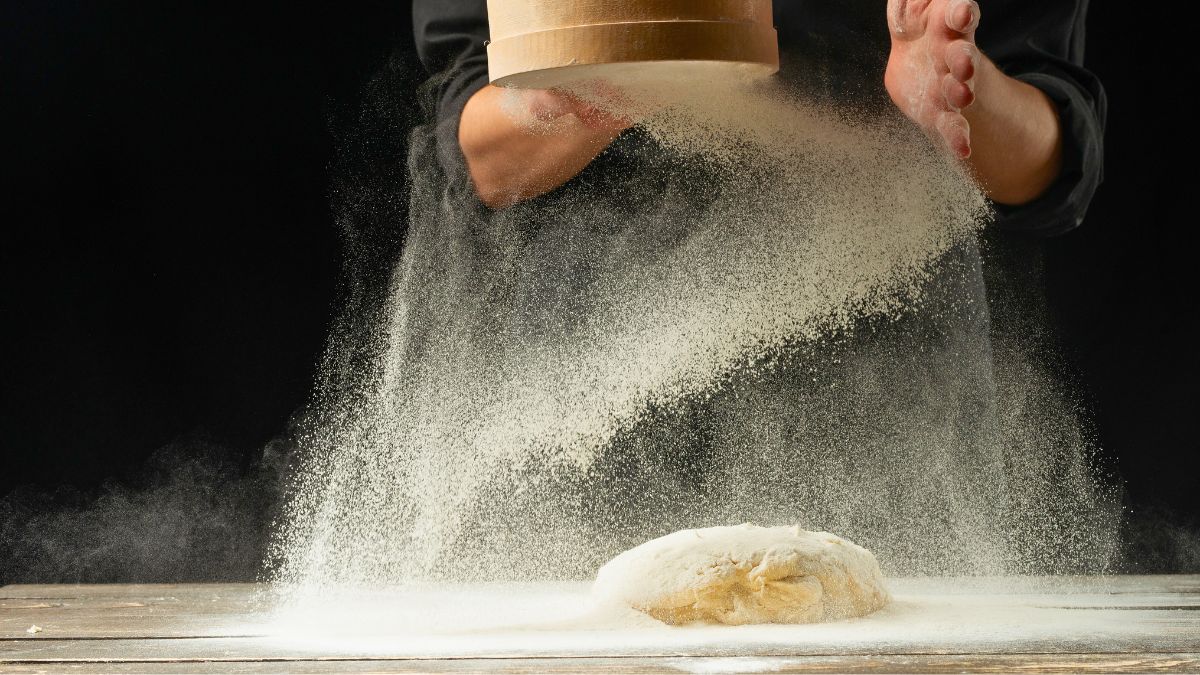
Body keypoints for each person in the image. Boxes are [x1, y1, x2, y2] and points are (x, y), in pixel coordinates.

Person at [405, 0, 1114, 575]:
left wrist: (965, 89)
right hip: (575, 414)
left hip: (890, 413)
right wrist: (604, 79)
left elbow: (1051, 162)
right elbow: (479, 156)